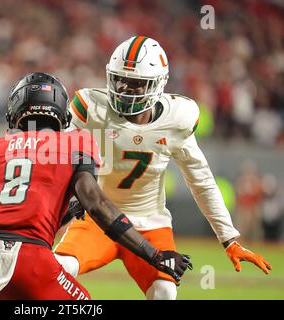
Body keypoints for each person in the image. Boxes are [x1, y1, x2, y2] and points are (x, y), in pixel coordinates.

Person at [54, 36, 272, 300]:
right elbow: (54, 153)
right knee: (56, 270)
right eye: (119, 80)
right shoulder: (91, 107)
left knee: (165, 293)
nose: (124, 89)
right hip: (98, 219)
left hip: (150, 222)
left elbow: (201, 181)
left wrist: (229, 238)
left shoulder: (176, 119)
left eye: (135, 84)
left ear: (157, 85)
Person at [0, 72, 193, 300]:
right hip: (32, 259)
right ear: (61, 112)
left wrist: (61, 212)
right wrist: (155, 255)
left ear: (15, 110)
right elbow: (97, 204)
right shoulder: (75, 145)